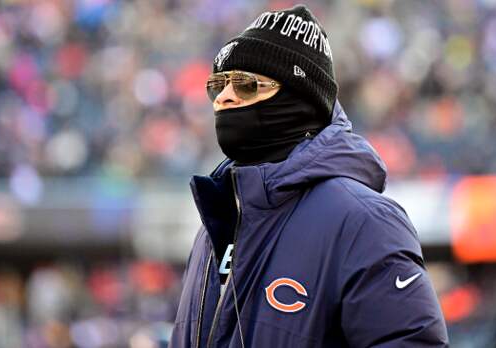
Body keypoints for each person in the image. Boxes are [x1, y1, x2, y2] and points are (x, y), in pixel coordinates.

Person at [170, 4, 449, 348]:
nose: (223, 98)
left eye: (245, 85)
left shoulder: (364, 221)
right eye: (218, 84)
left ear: (298, 96)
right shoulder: (217, 221)